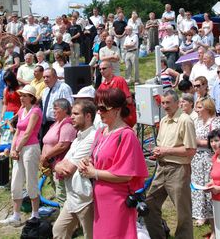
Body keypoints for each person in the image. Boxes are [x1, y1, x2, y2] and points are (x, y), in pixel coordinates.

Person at [77, 88, 147, 239]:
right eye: (97, 107)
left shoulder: (127, 135)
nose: (99, 112)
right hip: (100, 200)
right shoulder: (101, 132)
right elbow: (96, 158)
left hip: (118, 201)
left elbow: (126, 175)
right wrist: (87, 162)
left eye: (103, 108)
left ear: (117, 110)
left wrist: (94, 173)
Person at [144, 90, 197, 239]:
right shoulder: (164, 120)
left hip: (178, 170)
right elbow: (161, 144)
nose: (165, 106)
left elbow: (191, 150)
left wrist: (166, 150)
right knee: (149, 205)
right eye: (163, 103)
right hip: (162, 167)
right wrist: (158, 152)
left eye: (168, 102)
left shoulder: (185, 120)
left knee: (183, 212)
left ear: (177, 103)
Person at [52, 99, 97, 239]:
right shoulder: (78, 138)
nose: (71, 117)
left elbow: (68, 169)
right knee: (59, 231)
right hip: (72, 197)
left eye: (76, 114)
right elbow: (62, 164)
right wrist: (57, 166)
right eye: (71, 113)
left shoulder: (92, 137)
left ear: (88, 116)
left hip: (85, 198)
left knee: (91, 236)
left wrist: (58, 166)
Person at [2, 85, 43, 226]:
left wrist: (17, 149)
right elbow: (18, 132)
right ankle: (16, 215)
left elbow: (28, 132)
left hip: (30, 148)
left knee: (31, 182)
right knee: (16, 183)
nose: (21, 97)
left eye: (24, 95)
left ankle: (35, 214)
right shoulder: (21, 111)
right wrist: (13, 148)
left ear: (31, 97)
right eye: (21, 95)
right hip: (19, 149)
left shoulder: (36, 111)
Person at [191, 97, 220, 228]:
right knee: (197, 186)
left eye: (199, 108)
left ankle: (212, 214)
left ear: (208, 108)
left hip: (210, 158)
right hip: (197, 159)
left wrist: (200, 142)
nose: (197, 110)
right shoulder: (197, 121)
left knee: (209, 185)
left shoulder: (216, 122)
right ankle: (201, 214)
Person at [41, 98, 75, 204]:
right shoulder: (55, 124)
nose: (53, 111)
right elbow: (47, 142)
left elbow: (62, 145)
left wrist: (46, 156)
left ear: (65, 110)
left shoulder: (67, 124)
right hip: (51, 164)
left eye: (56, 108)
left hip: (60, 164)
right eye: (53, 108)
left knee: (63, 197)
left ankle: (65, 219)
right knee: (58, 194)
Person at [97, 61, 136, 127]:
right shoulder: (101, 86)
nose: (101, 71)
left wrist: (111, 103)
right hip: (109, 119)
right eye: (100, 69)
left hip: (124, 118)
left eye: (104, 68)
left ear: (111, 69)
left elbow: (129, 100)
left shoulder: (119, 80)